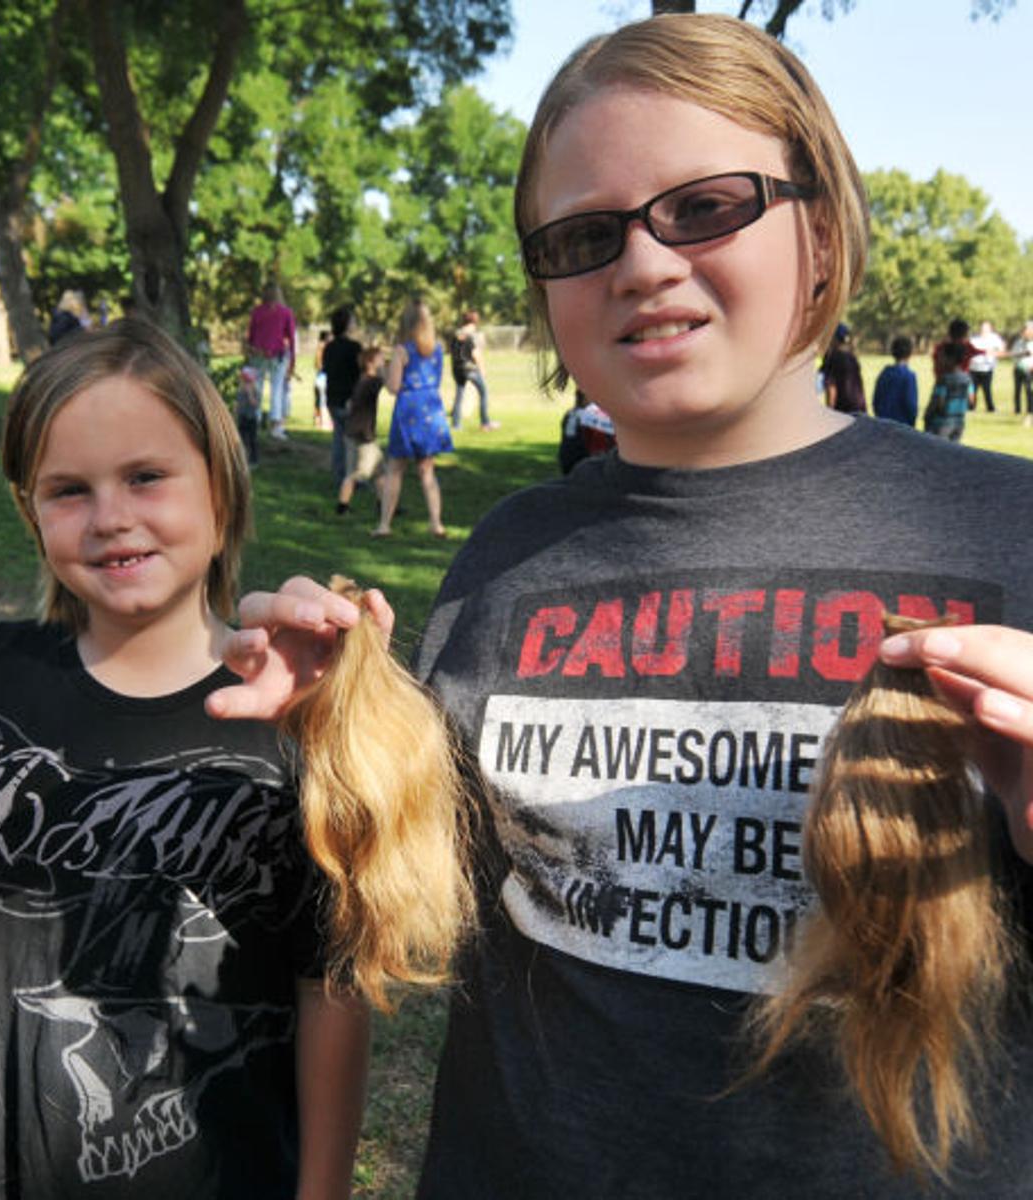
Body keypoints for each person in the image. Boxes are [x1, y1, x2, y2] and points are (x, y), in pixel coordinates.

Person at [220, 15, 1033, 1198]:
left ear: (819, 229)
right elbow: (446, 888)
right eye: (586, 235)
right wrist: (344, 732)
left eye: (705, 207)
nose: (644, 264)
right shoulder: (510, 552)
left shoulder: (1007, 531)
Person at [0, 321, 372, 1200]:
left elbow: (333, 991)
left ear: (222, 489)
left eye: (147, 476)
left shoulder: (296, 716)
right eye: (69, 490)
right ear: (30, 511)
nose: (112, 516)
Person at [375, 299, 454, 539]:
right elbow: (437, 380)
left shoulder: (402, 350)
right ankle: (436, 523)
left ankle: (384, 525)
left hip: (408, 410)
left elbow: (393, 387)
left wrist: (381, 369)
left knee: (395, 468)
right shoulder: (437, 349)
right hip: (430, 408)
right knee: (427, 470)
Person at [336, 346, 386, 515]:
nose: (383, 362)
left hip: (354, 432)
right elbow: (388, 382)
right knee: (360, 473)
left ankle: (384, 505)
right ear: (371, 362)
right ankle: (342, 507)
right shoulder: (372, 382)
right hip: (362, 435)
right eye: (381, 359)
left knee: (379, 471)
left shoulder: (363, 380)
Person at [247, 283, 296, 440]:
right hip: (278, 355)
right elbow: (291, 337)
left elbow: (251, 336)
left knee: (257, 389)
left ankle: (255, 421)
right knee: (277, 390)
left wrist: (250, 352)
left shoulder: (257, 312)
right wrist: (292, 359)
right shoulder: (286, 312)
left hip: (258, 355)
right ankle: (276, 426)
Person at [322, 306, 363, 483]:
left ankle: (339, 474)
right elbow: (360, 372)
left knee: (339, 437)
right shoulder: (354, 348)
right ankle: (354, 477)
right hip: (349, 399)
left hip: (332, 399)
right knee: (353, 441)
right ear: (347, 325)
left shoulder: (329, 348)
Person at [449, 311, 498, 431]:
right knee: (483, 392)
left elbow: (452, 353)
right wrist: (482, 370)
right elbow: (475, 354)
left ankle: (456, 424)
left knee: (459, 396)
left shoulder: (456, 335)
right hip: (470, 369)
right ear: (473, 322)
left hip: (457, 369)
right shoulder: (470, 336)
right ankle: (485, 422)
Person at [924, 341, 973, 440]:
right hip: (959, 421)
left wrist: (927, 416)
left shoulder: (943, 380)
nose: (940, 360)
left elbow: (939, 401)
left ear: (951, 359)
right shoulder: (968, 379)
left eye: (943, 357)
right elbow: (971, 401)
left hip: (941, 423)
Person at [871, 334, 919, 426]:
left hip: (883, 425)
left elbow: (876, 401)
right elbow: (911, 405)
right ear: (910, 353)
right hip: (902, 427)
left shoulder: (884, 373)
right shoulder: (909, 376)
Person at [821, 321, 865, 413]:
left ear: (834, 338)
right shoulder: (852, 357)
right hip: (859, 410)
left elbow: (831, 389)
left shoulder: (832, 358)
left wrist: (829, 414)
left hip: (843, 413)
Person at [968, 320, 1005, 413]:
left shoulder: (995, 338)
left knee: (987, 389)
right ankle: (971, 407)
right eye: (982, 328)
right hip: (974, 368)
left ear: (990, 329)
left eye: (986, 328)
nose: (983, 330)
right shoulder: (974, 338)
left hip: (987, 368)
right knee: (972, 390)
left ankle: (990, 408)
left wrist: (995, 353)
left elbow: (1001, 350)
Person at [234, 363, 261, 467]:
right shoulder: (240, 391)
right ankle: (242, 459)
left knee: (252, 439)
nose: (246, 384)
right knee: (241, 439)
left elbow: (256, 404)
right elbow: (238, 404)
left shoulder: (255, 391)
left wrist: (250, 394)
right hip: (242, 417)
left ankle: (254, 459)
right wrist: (235, 412)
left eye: (248, 381)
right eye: (244, 381)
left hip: (252, 418)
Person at [1011, 318, 1033, 415]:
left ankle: (1030, 410)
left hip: (1030, 369)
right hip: (1018, 369)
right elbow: (1013, 354)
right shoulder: (1018, 342)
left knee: (1029, 390)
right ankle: (1017, 410)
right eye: (1025, 330)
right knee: (1017, 391)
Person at [313, 330, 331, 429]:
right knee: (323, 400)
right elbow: (319, 365)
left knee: (319, 400)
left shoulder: (319, 347)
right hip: (323, 377)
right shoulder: (323, 348)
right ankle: (325, 423)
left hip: (319, 377)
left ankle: (318, 421)